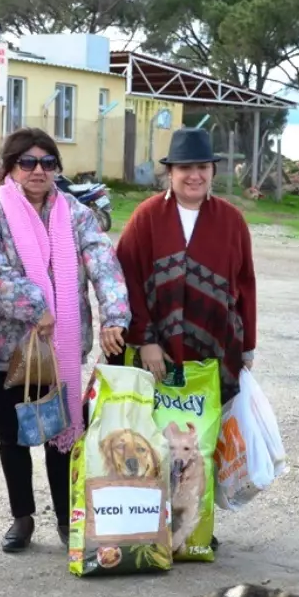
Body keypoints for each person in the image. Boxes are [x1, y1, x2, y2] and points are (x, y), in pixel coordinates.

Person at [0, 127, 130, 552]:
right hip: (8, 351)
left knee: (63, 437)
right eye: (27, 162)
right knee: (13, 437)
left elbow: (104, 265)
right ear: (10, 167)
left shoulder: (76, 213)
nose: (38, 171)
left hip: (60, 350)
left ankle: (64, 517)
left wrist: (115, 315)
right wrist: (37, 306)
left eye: (48, 162)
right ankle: (22, 519)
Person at [112, 127, 257, 551]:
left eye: (202, 167)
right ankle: (150, 525)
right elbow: (130, 282)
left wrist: (247, 346)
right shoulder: (147, 217)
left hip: (214, 350)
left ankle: (197, 526)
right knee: (157, 440)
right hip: (157, 352)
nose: (194, 176)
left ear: (212, 171)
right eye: (184, 168)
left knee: (200, 441)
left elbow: (245, 283)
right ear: (170, 173)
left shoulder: (230, 220)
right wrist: (146, 339)